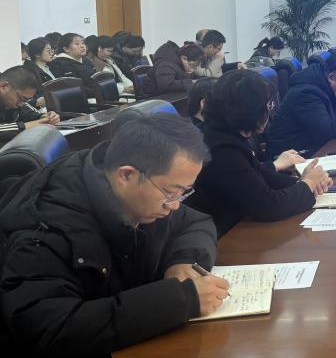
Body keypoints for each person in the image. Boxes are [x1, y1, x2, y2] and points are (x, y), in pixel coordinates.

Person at [0, 113, 230, 355]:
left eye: (184, 192)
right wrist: (181, 300)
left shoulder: (140, 194)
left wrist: (182, 261)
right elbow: (51, 331)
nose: (174, 205)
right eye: (171, 192)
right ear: (126, 175)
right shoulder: (47, 231)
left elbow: (195, 222)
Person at [187, 71, 333, 236]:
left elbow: (259, 174)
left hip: (239, 225)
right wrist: (307, 184)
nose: (270, 111)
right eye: (268, 106)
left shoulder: (225, 135)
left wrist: (305, 182)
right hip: (226, 236)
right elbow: (268, 206)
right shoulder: (222, 150)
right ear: (250, 111)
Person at [265, 51, 336, 157]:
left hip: (311, 149)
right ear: (332, 77)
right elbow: (326, 130)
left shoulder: (324, 86)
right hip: (289, 157)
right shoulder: (306, 93)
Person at [0, 66, 59, 143]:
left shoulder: (17, 102)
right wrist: (24, 126)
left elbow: (27, 111)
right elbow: (28, 125)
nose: (21, 104)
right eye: (21, 98)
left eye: (26, 100)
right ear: (4, 86)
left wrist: (44, 117)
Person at [23, 37, 56, 108]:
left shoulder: (53, 67)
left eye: (51, 50)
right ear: (37, 54)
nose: (51, 53)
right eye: (48, 51)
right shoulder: (30, 72)